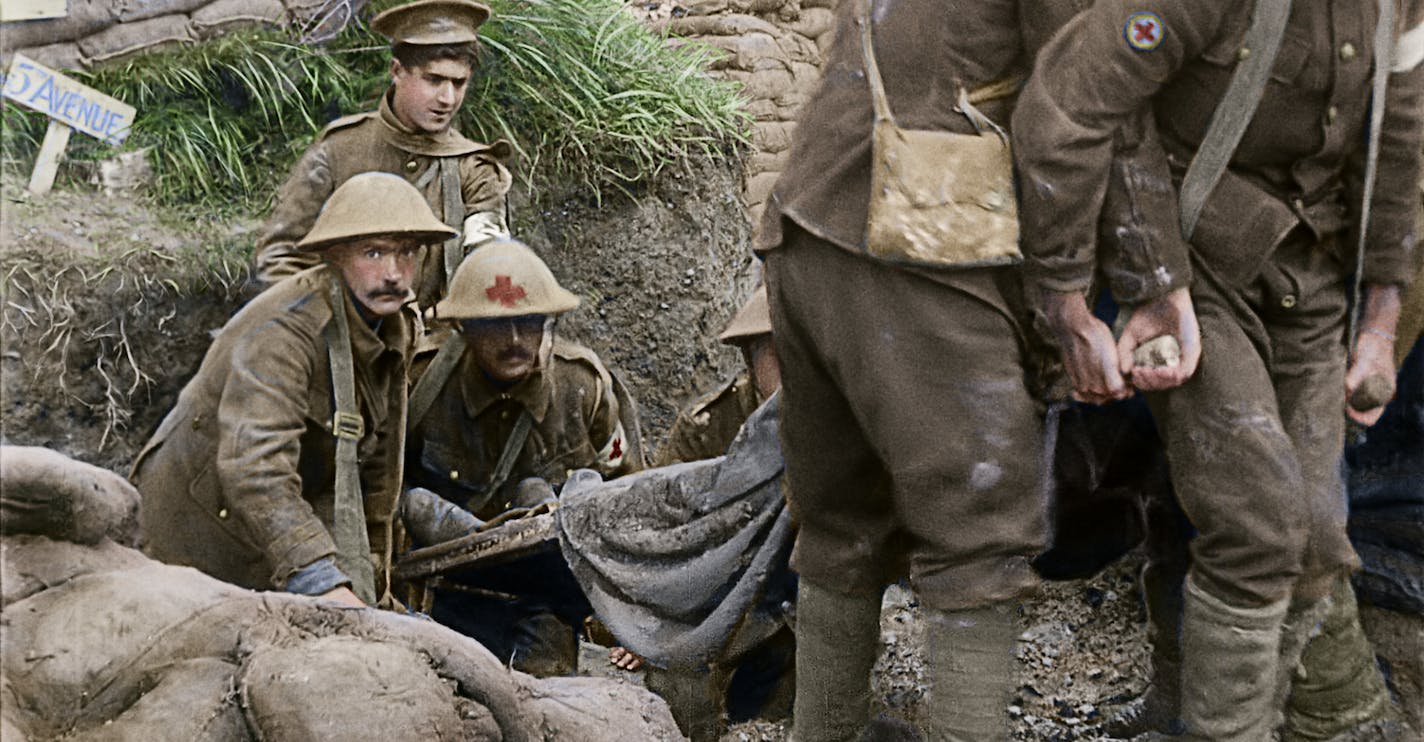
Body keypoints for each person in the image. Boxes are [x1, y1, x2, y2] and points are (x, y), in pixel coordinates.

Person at [1012, 1, 1423, 738]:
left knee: (1320, 537)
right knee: (1257, 524)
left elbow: (1396, 139)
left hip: (1310, 271)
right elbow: (1072, 97)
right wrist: (1090, 294)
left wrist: (1382, 321)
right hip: (1188, 263)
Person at [752, 0, 1060, 736]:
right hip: (912, 229)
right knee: (980, 522)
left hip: (806, 226)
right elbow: (1075, 117)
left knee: (840, 523)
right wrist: (1070, 292)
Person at [132, 172, 457, 608]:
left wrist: (371, 586)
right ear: (336, 256)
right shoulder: (285, 332)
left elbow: (376, 474)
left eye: (406, 252)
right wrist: (321, 580)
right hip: (199, 521)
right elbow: (254, 468)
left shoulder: (395, 326)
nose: (394, 274)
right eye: (373, 253)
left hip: (290, 503)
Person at [403, 237, 644, 674]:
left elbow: (628, 500)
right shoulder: (422, 386)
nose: (514, 340)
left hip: (547, 599)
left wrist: (635, 619)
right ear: (464, 328)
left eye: (528, 322)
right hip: (445, 595)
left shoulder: (582, 387)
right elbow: (380, 497)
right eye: (495, 325)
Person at [253, 0, 512, 308]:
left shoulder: (475, 169)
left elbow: (491, 271)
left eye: (459, 83)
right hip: (343, 343)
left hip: (433, 348)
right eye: (433, 80)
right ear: (397, 71)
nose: (447, 98)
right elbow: (279, 256)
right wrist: (327, 323)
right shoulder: (340, 148)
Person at [655, 285, 780, 467]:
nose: (792, 367)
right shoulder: (706, 428)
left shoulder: (832, 407)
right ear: (751, 359)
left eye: (801, 352)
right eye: (778, 353)